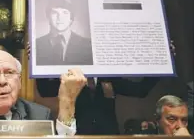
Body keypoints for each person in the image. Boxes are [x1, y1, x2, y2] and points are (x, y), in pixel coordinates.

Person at [28, 41, 176, 135]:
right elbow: (45, 90)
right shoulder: (72, 78)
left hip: (109, 134)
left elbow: (140, 90)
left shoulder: (110, 76)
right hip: (77, 134)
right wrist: (35, 61)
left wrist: (164, 61)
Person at [35, 0, 93, 66]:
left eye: (65, 13)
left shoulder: (88, 45)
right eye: (55, 13)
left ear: (71, 18)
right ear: (48, 16)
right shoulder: (36, 45)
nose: (60, 18)